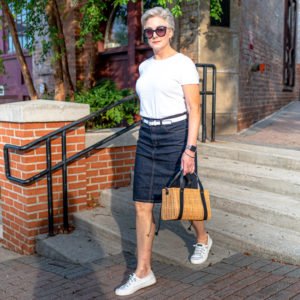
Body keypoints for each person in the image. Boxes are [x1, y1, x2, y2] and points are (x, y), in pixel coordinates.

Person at [115, 6, 212, 297]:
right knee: (141, 203)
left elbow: (195, 109)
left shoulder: (183, 63)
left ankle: (203, 238)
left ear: (170, 31)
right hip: (148, 136)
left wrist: (190, 150)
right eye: (149, 31)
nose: (154, 35)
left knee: (184, 194)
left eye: (160, 29)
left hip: (175, 135)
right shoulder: (145, 66)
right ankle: (143, 271)